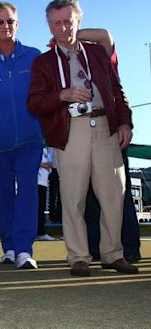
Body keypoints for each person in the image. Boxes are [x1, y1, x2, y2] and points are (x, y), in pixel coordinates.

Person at [27, 0, 138, 277]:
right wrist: (62, 95)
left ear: (79, 21)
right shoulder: (43, 62)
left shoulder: (98, 54)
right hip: (70, 130)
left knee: (114, 195)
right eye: (56, 23)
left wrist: (125, 121)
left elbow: (116, 88)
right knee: (73, 197)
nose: (63, 28)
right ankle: (78, 257)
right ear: (49, 27)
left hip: (105, 127)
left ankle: (113, 254)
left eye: (68, 21)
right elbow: (34, 102)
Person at [75, 28, 142, 263]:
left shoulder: (100, 54)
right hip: (81, 133)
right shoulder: (63, 57)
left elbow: (105, 34)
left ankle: (128, 248)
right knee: (88, 195)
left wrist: (71, 33)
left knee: (117, 193)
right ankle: (94, 249)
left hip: (110, 129)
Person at [0, 2, 43, 269]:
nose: (5, 26)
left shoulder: (34, 56)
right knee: (3, 195)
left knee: (28, 193)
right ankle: (8, 248)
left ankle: (24, 250)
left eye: (9, 21)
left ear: (17, 24)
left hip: (31, 138)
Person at [36, 146, 57, 241]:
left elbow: (50, 164)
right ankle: (38, 232)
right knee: (37, 208)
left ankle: (40, 231)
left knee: (41, 208)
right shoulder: (35, 148)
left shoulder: (45, 150)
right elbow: (41, 163)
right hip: (36, 182)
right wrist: (46, 164)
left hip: (43, 182)